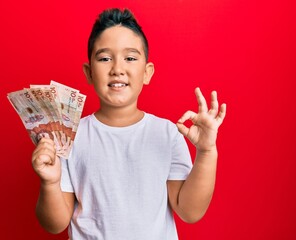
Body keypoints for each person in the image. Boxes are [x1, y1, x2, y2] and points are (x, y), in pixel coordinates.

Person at [31, 8, 226, 240]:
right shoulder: (69, 135)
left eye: (130, 58)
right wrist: (50, 182)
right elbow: (54, 224)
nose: (117, 69)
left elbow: (189, 211)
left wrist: (206, 152)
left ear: (147, 72)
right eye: (104, 58)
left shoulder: (167, 134)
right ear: (89, 72)